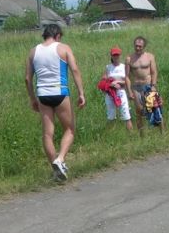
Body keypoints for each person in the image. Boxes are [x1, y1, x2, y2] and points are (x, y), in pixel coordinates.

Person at [24, 23, 86, 181]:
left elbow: (27, 79)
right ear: (58, 35)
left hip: (42, 94)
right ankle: (60, 159)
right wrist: (81, 93)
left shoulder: (33, 51)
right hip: (60, 92)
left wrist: (32, 99)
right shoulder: (63, 48)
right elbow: (75, 69)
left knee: (47, 134)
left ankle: (55, 168)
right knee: (70, 129)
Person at [127, 35, 164, 132]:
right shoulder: (129, 58)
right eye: (136, 45)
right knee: (139, 110)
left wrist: (153, 85)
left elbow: (154, 72)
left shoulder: (150, 57)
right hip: (136, 87)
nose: (137, 48)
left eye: (140, 46)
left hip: (148, 86)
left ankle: (162, 133)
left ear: (144, 46)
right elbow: (126, 76)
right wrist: (129, 91)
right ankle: (142, 135)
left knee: (154, 108)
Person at [100, 46, 133, 131]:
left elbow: (128, 80)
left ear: (120, 55)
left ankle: (131, 135)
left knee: (126, 113)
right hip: (110, 93)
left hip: (121, 92)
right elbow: (103, 81)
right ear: (111, 56)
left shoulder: (124, 66)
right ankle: (111, 134)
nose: (116, 57)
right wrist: (111, 84)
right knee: (111, 115)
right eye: (114, 55)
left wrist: (118, 82)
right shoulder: (108, 67)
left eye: (117, 55)